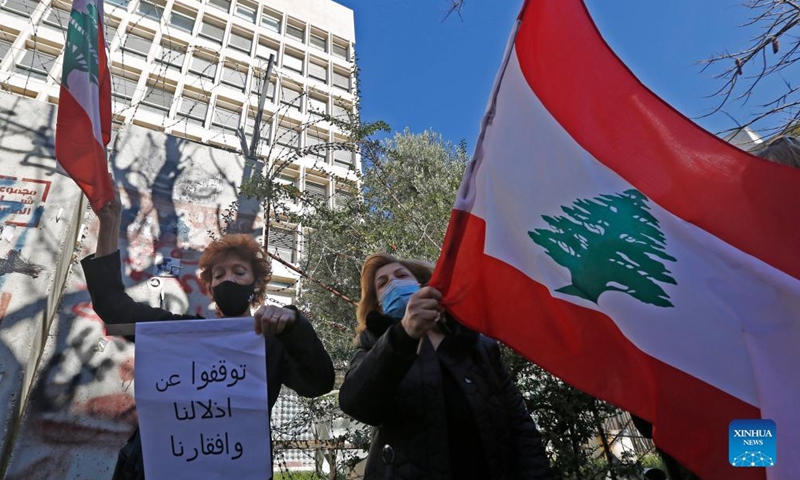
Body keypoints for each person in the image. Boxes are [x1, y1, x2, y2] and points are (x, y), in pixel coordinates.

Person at [82, 188, 335, 480]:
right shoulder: (179, 334)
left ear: (255, 286)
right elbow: (111, 305)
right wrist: (110, 222)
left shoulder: (272, 343)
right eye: (219, 275)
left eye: (239, 272)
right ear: (211, 288)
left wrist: (294, 324)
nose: (228, 278)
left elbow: (318, 383)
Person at [338, 253, 554, 480]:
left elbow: (519, 424)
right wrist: (404, 335)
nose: (393, 282)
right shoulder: (373, 350)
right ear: (379, 306)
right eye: (383, 283)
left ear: (421, 286)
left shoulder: (478, 346)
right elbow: (356, 403)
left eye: (401, 275)